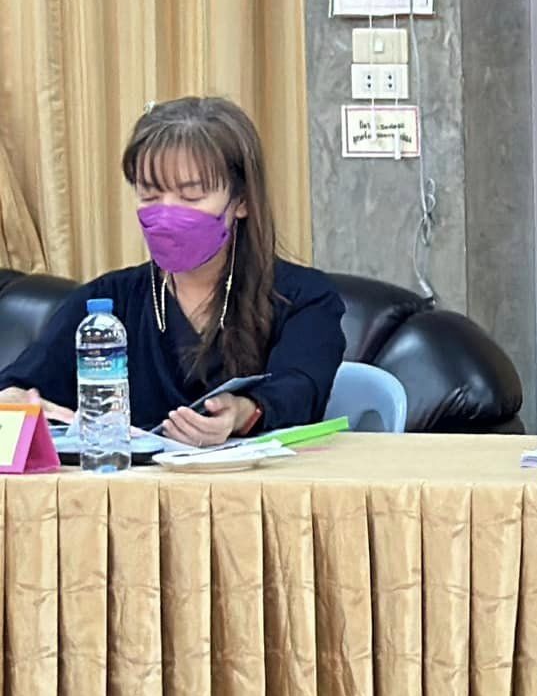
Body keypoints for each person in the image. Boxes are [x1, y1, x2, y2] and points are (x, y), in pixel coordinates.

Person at [0, 97, 345, 445]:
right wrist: (17, 400)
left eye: (191, 196)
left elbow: (301, 389)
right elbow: (20, 384)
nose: (166, 213)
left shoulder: (303, 296)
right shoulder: (106, 302)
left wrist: (243, 412)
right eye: (150, 196)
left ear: (242, 202)